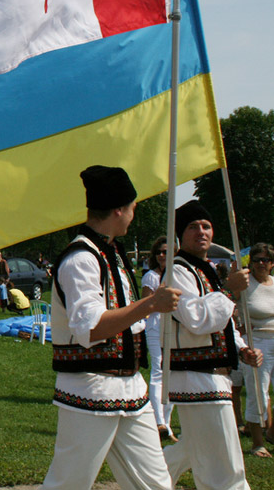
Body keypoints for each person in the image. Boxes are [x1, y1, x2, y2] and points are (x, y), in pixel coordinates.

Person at [40, 165, 180, 490]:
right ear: (118, 209)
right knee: (69, 484)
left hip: (131, 388)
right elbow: (90, 329)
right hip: (90, 388)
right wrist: (150, 304)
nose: (134, 213)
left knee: (156, 484)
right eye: (133, 206)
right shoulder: (81, 259)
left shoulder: (111, 253)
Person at [162, 200, 263, 488]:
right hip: (197, 376)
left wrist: (241, 349)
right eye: (193, 227)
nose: (201, 232)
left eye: (206, 226)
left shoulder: (206, 269)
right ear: (180, 235)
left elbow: (223, 322)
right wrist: (229, 291)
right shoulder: (177, 270)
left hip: (215, 376)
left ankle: (146, 482)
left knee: (192, 448)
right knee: (225, 462)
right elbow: (196, 318)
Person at [139, 236, 177, 442]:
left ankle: (167, 425)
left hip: (175, 328)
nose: (162, 255)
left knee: (173, 374)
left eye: (166, 252)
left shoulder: (178, 275)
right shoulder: (151, 277)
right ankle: (158, 420)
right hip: (155, 327)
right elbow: (145, 304)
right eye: (159, 252)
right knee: (158, 370)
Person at [243, 242, 274, 457]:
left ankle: (271, 432)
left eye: (265, 260)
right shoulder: (245, 284)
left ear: (272, 263)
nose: (261, 263)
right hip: (257, 342)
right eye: (257, 260)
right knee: (258, 393)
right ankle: (257, 443)